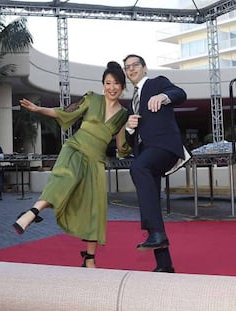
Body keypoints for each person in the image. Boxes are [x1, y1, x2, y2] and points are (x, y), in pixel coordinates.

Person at [13, 62, 130, 268]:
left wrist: (131, 132)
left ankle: (89, 258)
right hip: (75, 149)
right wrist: (38, 108)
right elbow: (65, 112)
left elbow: (121, 147)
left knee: (95, 209)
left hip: (96, 162)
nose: (112, 87)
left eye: (116, 83)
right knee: (64, 179)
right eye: (108, 83)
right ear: (103, 84)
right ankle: (32, 213)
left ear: (122, 86)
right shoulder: (92, 98)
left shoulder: (123, 115)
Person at [123, 54, 187, 273]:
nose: (131, 70)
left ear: (144, 68)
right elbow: (131, 142)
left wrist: (163, 96)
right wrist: (130, 129)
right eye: (127, 67)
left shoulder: (156, 83)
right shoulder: (132, 102)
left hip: (164, 146)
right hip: (147, 152)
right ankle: (164, 264)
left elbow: (180, 94)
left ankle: (156, 235)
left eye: (134, 65)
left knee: (138, 168)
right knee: (152, 203)